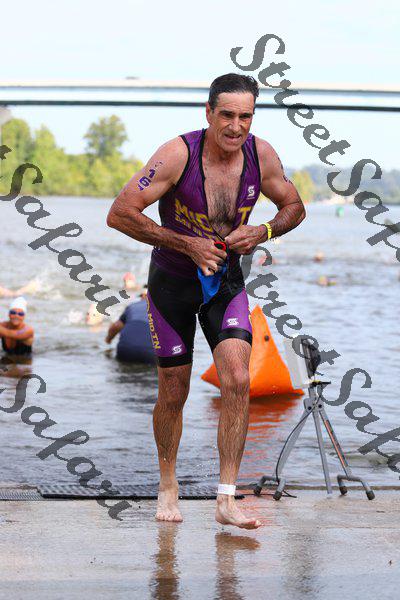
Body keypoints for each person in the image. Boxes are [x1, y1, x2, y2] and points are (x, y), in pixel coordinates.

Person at [107, 73, 306, 529]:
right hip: (172, 284)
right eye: (227, 115)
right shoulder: (178, 154)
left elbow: (294, 206)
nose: (236, 126)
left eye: (245, 116)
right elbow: (120, 213)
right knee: (173, 391)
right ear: (209, 113)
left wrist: (263, 231)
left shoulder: (261, 154)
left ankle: (226, 499)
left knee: (237, 379)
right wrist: (187, 244)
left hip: (227, 283)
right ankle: (168, 484)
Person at [105, 288, 155, 363]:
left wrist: (108, 339)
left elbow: (116, 326)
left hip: (125, 349)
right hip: (149, 352)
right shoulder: (160, 308)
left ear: (142, 297)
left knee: (123, 367)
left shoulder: (132, 306)